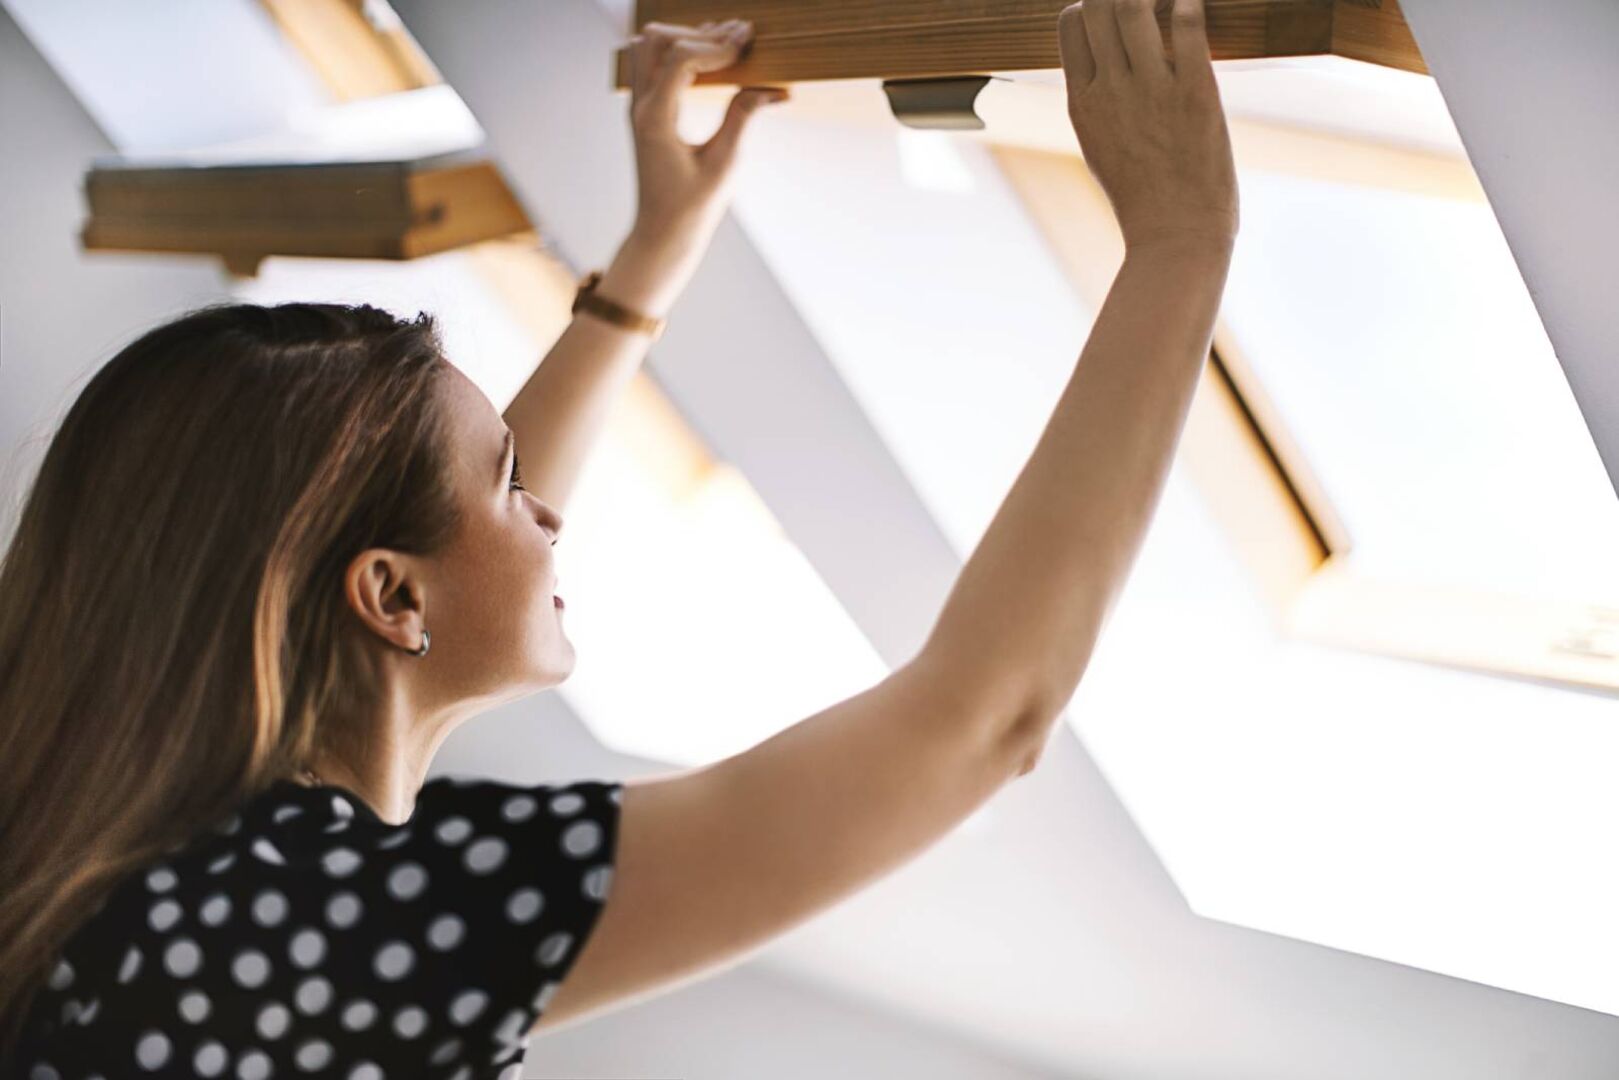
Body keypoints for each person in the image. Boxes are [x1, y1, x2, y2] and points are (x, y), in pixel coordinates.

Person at [0, 0, 1237, 1075]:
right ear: (384, 600)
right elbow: (978, 725)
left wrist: (647, 263)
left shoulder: (154, 850)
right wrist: (1179, 246)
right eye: (510, 486)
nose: (546, 513)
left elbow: (436, 532)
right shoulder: (338, 921)